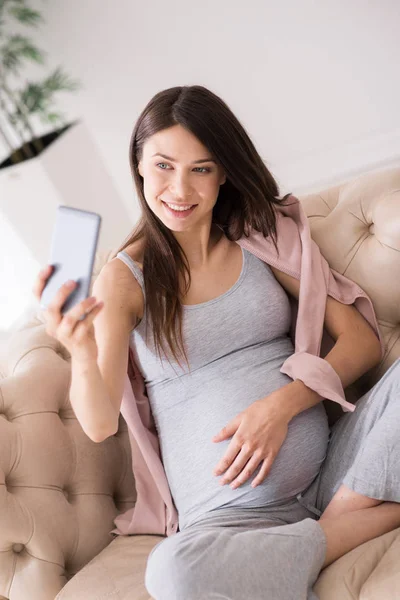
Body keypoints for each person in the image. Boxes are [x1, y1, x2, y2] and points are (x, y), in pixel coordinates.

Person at [33, 85, 400, 600]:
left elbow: (360, 343)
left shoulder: (260, 233)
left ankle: (330, 523)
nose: (179, 190)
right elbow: (96, 423)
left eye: (200, 169)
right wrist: (80, 349)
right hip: (228, 522)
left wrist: (280, 406)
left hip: (335, 471)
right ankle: (337, 532)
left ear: (224, 171)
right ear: (138, 165)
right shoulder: (125, 279)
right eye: (163, 165)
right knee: (171, 573)